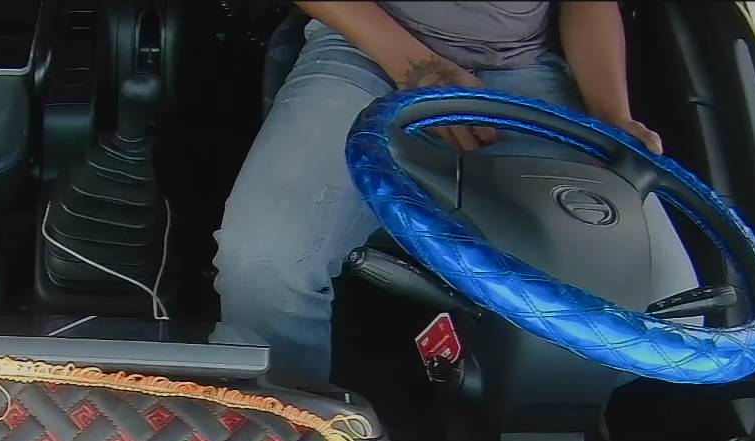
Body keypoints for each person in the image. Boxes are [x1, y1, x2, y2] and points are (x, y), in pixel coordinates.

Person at [213, 1, 677, 385]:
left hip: (524, 67)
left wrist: (610, 117)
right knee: (263, 265)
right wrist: (416, 66)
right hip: (365, 48)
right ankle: (289, 433)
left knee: (669, 315)